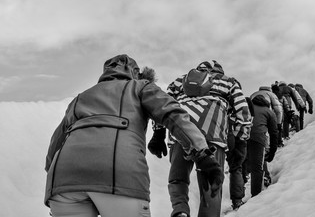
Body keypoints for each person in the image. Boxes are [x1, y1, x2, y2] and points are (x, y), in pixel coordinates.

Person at [44, 54, 224, 217]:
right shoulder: (141, 87)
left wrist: (55, 180)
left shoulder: (80, 97)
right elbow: (173, 115)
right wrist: (202, 153)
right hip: (120, 177)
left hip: (64, 182)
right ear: (135, 72)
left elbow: (55, 144)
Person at [149, 60, 252, 217]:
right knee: (212, 183)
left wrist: (159, 132)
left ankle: (180, 210)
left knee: (178, 178)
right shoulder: (228, 82)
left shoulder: (180, 80)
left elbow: (164, 105)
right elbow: (243, 113)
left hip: (181, 131)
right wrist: (240, 139)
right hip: (213, 133)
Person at [247, 95, 278, 197]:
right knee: (257, 168)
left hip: (242, 136)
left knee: (241, 167)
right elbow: (274, 133)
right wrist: (272, 151)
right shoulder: (269, 112)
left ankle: (237, 199)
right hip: (258, 139)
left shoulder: (246, 106)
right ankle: (255, 196)